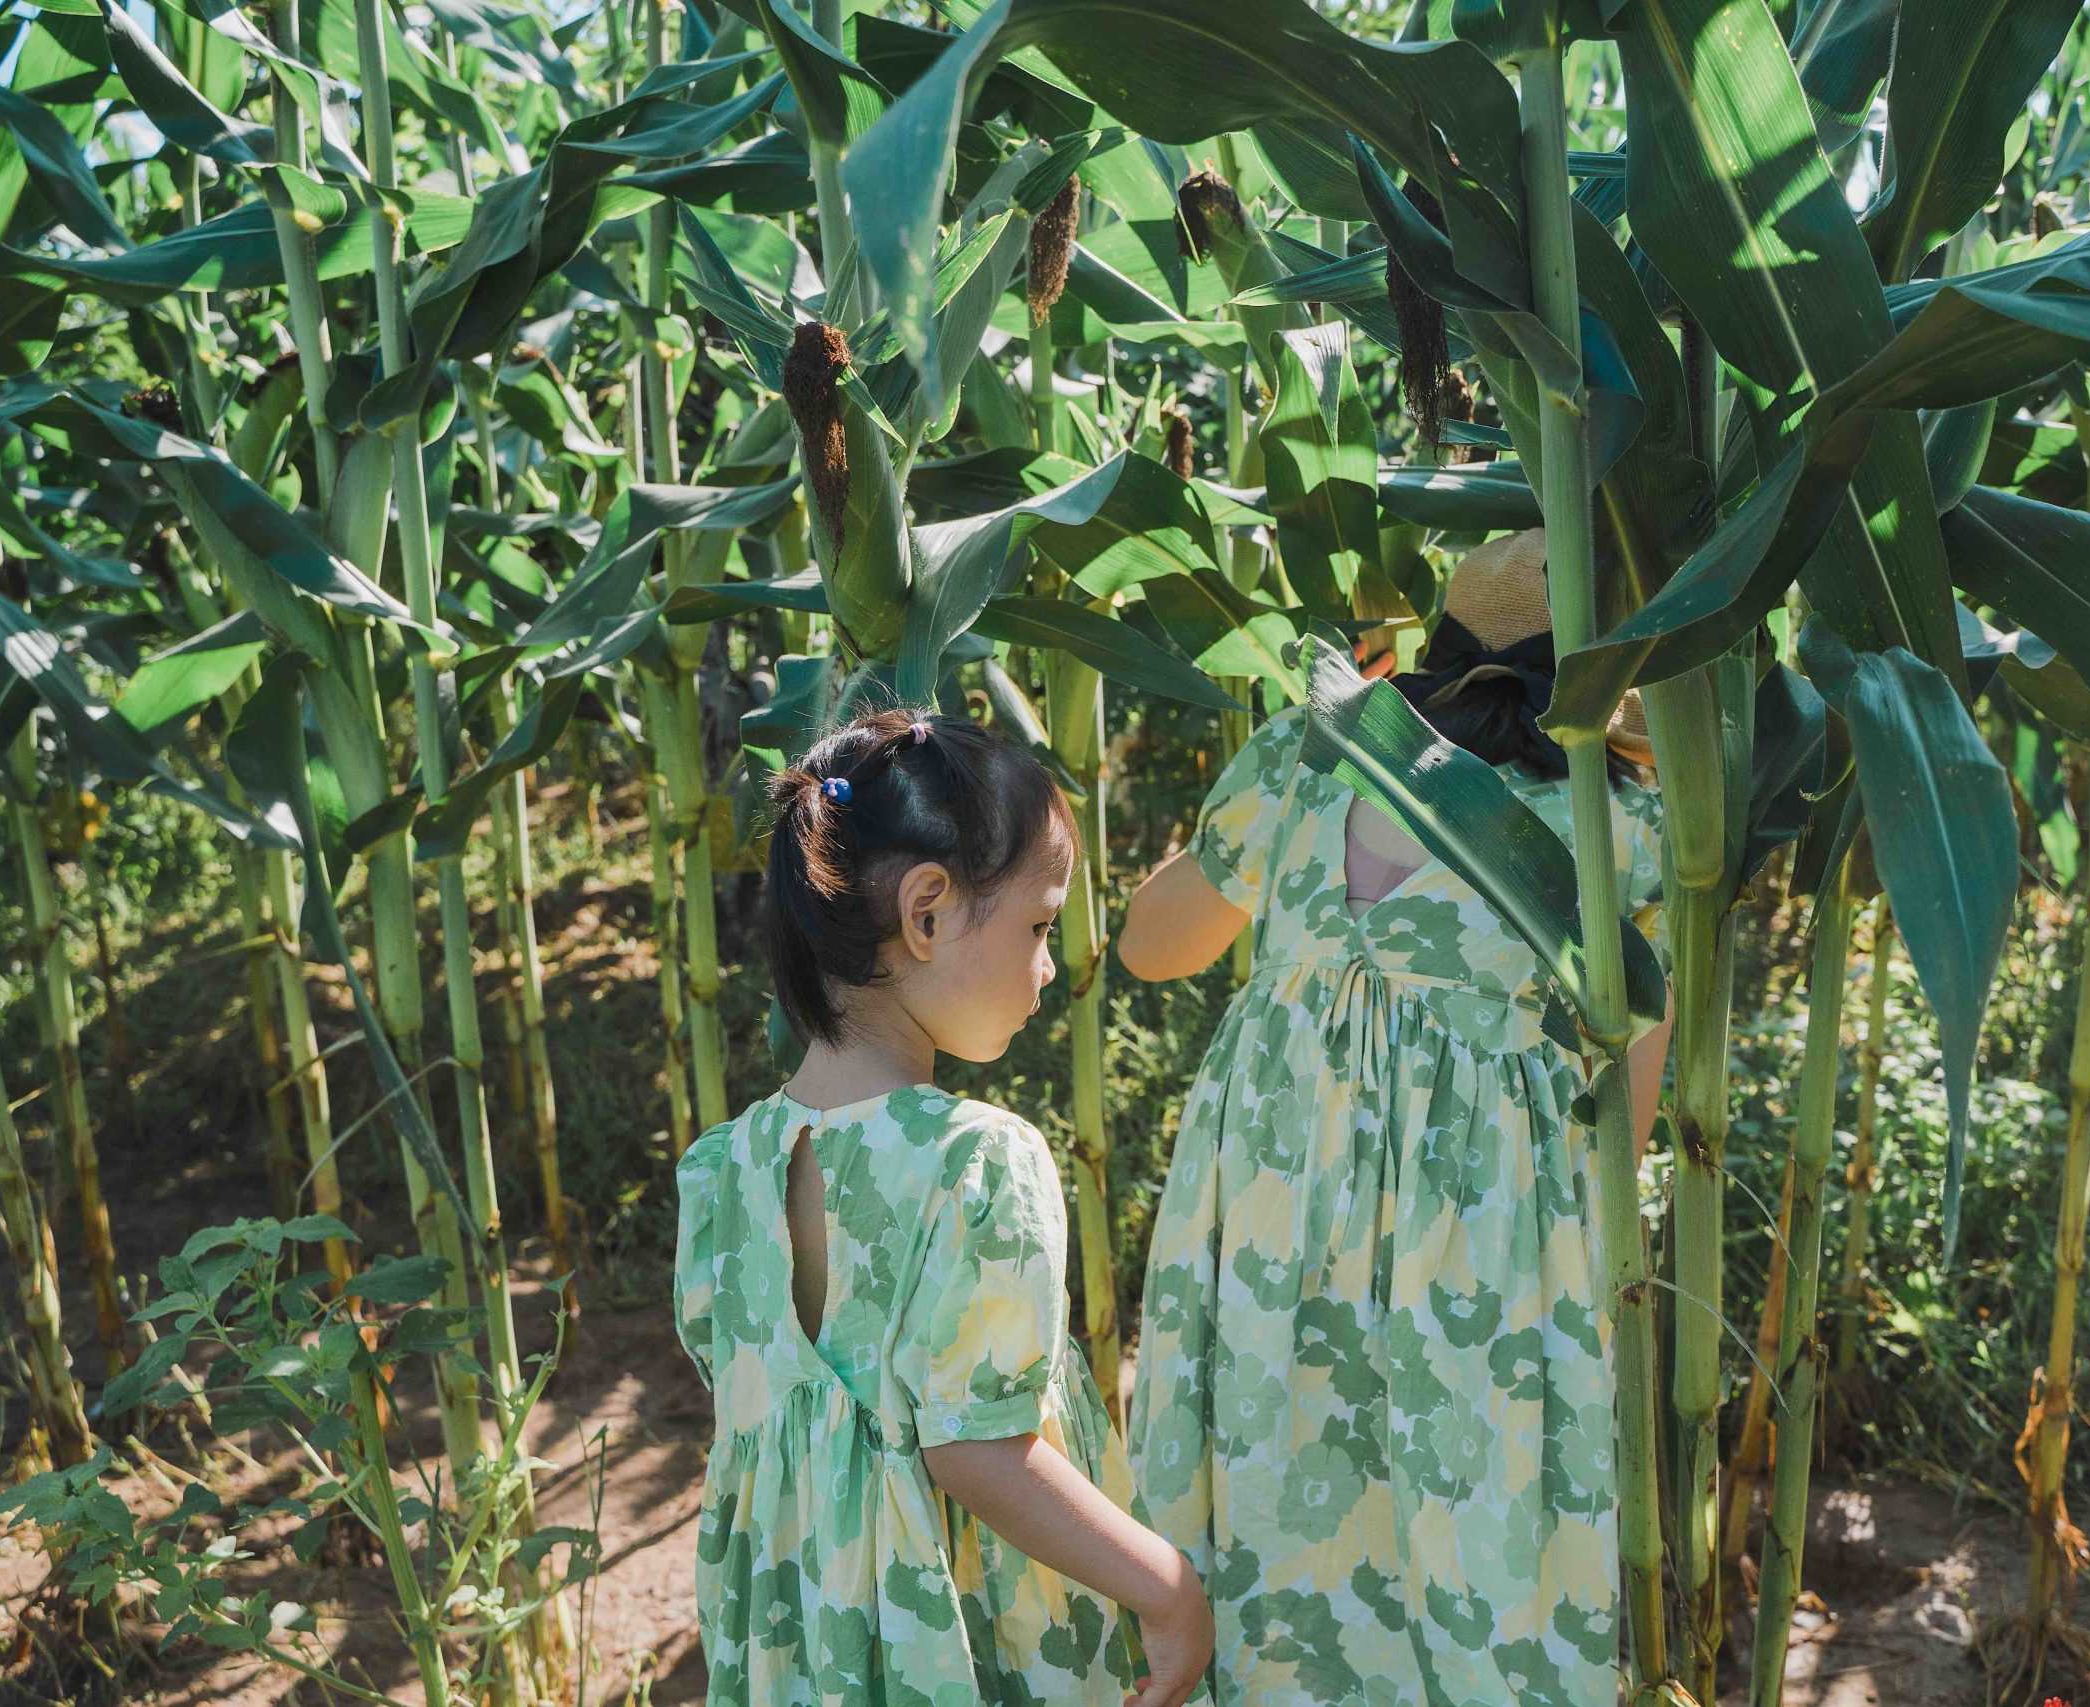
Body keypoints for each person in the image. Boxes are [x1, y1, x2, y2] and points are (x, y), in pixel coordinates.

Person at [1118, 530, 1674, 1705]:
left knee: (1278, 1469)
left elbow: (1151, 947)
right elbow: (1630, 1086)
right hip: (1478, 1229)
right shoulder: (1618, 822)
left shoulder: (1306, 760)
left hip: (1273, 1205)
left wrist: (1260, 792)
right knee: (1465, 1507)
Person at [675, 706, 1212, 1707]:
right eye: (1039, 926)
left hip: (805, 1648)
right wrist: (1167, 1589)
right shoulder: (977, 1159)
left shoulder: (721, 1170)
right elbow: (976, 1450)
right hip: (958, 1641)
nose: (1048, 966)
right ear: (926, 912)